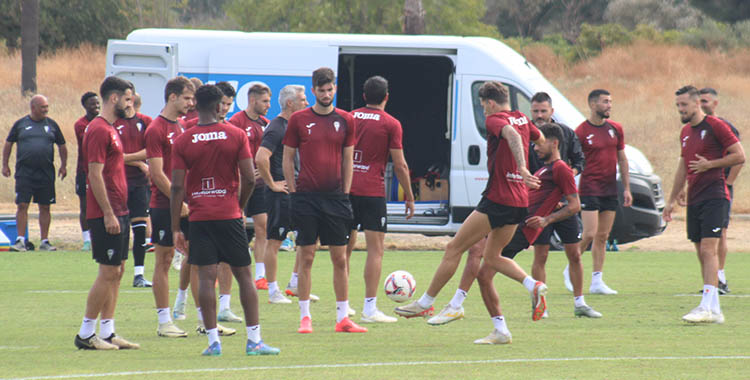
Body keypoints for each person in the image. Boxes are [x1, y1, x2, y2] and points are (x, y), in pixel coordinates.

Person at [394, 81, 547, 345]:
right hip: (519, 201)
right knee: (492, 258)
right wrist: (522, 169)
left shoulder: (495, 120)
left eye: (482, 105)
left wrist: (520, 168)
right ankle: (530, 289)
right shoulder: (522, 117)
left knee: (455, 247)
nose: (483, 110)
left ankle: (426, 303)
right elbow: (539, 138)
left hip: (498, 199)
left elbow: (510, 135)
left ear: (488, 102)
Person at [428, 122, 599, 326]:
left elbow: (575, 205)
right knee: (482, 271)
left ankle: (462, 305)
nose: (534, 147)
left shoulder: (561, 169)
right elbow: (548, 197)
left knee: (477, 253)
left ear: (554, 144)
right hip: (514, 222)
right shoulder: (545, 170)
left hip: (521, 227)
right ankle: (498, 326)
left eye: (539, 143)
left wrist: (546, 220)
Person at [171, 84, 279, 356]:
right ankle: (254, 341)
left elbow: (176, 188)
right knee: (244, 275)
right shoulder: (235, 134)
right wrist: (239, 207)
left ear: (196, 104)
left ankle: (213, 342)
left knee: (206, 277)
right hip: (228, 214)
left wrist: (175, 228)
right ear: (220, 105)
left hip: (199, 217)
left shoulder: (183, 140)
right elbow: (250, 177)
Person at [282, 67, 367, 334]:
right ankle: (305, 317)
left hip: (336, 198)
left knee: (340, 257)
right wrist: (294, 192)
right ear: (314, 90)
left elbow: (348, 159)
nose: (327, 94)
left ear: (335, 88)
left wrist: (346, 192)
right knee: (306, 256)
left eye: (330, 89)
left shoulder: (346, 120)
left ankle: (343, 317)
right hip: (305, 198)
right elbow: (287, 158)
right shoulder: (298, 119)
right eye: (321, 90)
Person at [664, 85, 745, 324]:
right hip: (696, 197)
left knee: (709, 249)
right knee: (701, 251)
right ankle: (715, 308)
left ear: (697, 103)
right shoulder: (686, 132)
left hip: (715, 194)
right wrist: (671, 199)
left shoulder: (716, 126)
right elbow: (683, 166)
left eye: (684, 105)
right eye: (678, 105)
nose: (681, 109)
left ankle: (706, 306)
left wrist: (710, 165)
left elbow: (739, 155)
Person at [74, 76, 139, 350]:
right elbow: (94, 174)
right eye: (126, 98)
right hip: (106, 212)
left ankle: (108, 331)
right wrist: (108, 213)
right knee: (108, 270)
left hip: (120, 209)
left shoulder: (112, 128)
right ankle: (86, 334)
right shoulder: (99, 129)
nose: (130, 103)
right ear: (113, 99)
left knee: (119, 270)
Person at [345, 76, 415, 323]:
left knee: (344, 248)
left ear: (364, 96)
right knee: (375, 250)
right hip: (372, 193)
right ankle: (369, 309)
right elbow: (400, 164)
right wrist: (409, 195)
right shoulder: (391, 123)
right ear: (386, 96)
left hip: (345, 190)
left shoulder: (349, 117)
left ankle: (342, 308)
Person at [255, 84, 320, 305]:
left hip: (298, 193)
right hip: (280, 195)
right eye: (303, 99)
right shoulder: (276, 128)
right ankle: (273, 291)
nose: (307, 103)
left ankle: (295, 284)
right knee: (275, 240)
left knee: (308, 239)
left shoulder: (294, 126)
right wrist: (272, 184)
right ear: (291, 103)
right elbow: (261, 157)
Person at [145, 76, 195, 337]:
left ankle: (204, 320)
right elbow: (156, 172)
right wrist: (180, 202)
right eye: (187, 98)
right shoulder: (156, 129)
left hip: (187, 203)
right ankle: (164, 322)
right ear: (172, 97)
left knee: (198, 258)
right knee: (164, 260)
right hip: (165, 205)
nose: (191, 103)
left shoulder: (182, 126)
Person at [569, 89, 632, 295]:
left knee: (603, 236)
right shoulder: (580, 131)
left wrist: (627, 188)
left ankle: (597, 281)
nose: (609, 105)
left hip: (609, 188)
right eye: (605, 102)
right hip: (589, 188)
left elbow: (622, 158)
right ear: (593, 105)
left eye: (610, 101)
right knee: (589, 233)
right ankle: (570, 268)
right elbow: (572, 162)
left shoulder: (616, 129)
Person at [526, 92, 585, 298]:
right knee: (540, 254)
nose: (539, 115)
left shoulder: (566, 134)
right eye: (536, 111)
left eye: (543, 111)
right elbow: (524, 170)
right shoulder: (526, 136)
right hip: (541, 206)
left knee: (575, 254)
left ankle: (580, 302)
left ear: (552, 111)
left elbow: (579, 162)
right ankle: (540, 303)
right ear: (531, 111)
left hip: (565, 204)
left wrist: (568, 176)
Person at [3, 95, 67, 251]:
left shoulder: (52, 125)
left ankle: (44, 241)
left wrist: (64, 165)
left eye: (47, 107)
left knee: (45, 206)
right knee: (22, 204)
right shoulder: (21, 124)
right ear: (33, 108)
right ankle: (20, 240)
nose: (46, 110)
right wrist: (5, 165)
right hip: (25, 173)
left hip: (45, 173)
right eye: (43, 107)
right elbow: (8, 144)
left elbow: (62, 145)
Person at [695, 87, 742, 294]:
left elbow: (739, 157)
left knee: (720, 232)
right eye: (700, 101)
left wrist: (728, 182)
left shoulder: (724, 126)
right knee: (700, 236)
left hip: (719, 188)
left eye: (705, 101)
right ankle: (711, 281)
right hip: (700, 189)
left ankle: (720, 277)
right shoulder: (694, 128)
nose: (702, 104)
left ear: (715, 104)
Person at [228, 82, 272, 290]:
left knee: (263, 226)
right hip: (239, 185)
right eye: (265, 101)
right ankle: (225, 269)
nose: (268, 105)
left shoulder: (266, 123)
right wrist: (241, 173)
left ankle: (260, 275)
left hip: (260, 185)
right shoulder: (236, 122)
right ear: (252, 100)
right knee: (235, 228)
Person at [114, 94, 153, 288]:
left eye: (130, 100)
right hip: (118, 182)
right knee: (119, 229)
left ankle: (139, 274)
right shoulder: (111, 124)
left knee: (140, 229)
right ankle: (115, 271)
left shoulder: (145, 122)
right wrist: (138, 162)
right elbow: (112, 155)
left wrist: (127, 158)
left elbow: (151, 150)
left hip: (139, 184)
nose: (127, 103)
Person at [74, 92, 100, 251]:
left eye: (97, 103)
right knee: (85, 206)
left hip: (101, 171)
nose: (96, 106)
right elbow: (89, 141)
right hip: (84, 171)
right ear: (85, 106)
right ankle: (86, 240)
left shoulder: (103, 121)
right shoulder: (81, 124)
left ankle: (99, 236)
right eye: (92, 104)